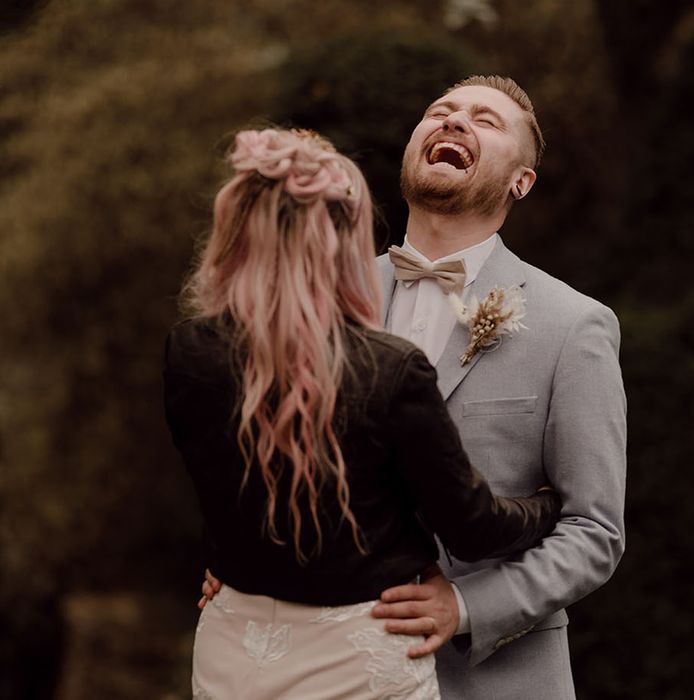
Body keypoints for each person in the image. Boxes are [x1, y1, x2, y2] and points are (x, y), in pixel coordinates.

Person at [163, 127, 562, 699]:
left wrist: (231, 557)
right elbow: (473, 528)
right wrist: (546, 504)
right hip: (357, 655)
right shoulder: (389, 368)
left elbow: (223, 484)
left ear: (235, 233)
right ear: (342, 242)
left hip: (233, 646)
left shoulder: (188, 350)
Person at [362, 75, 627, 699]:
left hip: (487, 683)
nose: (454, 121)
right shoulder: (323, 297)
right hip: (325, 663)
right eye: (440, 111)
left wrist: (465, 606)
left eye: (485, 120)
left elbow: (595, 531)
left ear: (522, 181)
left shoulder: (572, 325)